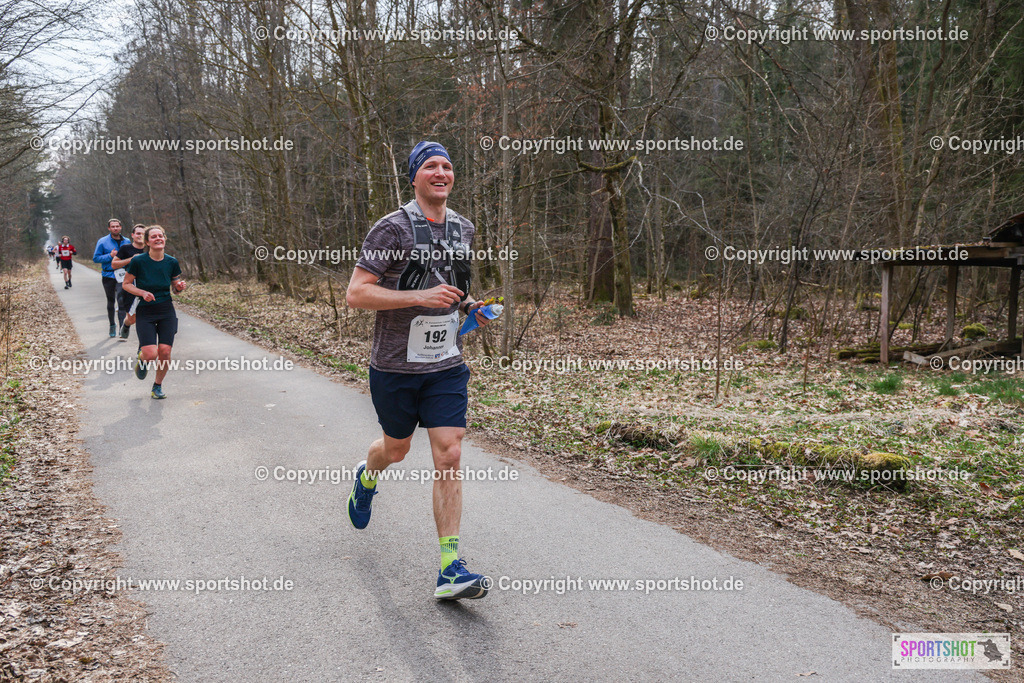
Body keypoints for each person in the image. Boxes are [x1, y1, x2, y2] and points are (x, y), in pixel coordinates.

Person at [345, 140, 492, 601]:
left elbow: (454, 286)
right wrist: (418, 297)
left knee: (450, 453)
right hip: (395, 366)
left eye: (447, 165)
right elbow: (356, 293)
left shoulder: (463, 228)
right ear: (414, 177)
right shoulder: (391, 229)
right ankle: (367, 475)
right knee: (396, 449)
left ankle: (450, 568)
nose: (441, 172)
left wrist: (471, 306)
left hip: (445, 364)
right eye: (430, 166)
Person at [121, 226, 187, 399]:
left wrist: (179, 288)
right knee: (151, 354)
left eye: (160, 236)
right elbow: (126, 284)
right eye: (154, 236)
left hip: (166, 310)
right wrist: (142, 292)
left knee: (165, 351)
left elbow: (175, 288)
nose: (158, 238)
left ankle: (157, 386)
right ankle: (143, 359)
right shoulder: (138, 261)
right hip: (145, 310)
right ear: (147, 242)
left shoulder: (172, 262)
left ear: (164, 239)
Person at [93, 219, 130, 337]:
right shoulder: (102, 242)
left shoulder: (127, 241)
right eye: (113, 226)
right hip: (108, 275)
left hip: (122, 275)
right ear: (109, 228)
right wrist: (110, 256)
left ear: (120, 227)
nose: (115, 228)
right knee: (111, 301)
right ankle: (112, 325)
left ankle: (122, 329)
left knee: (121, 301)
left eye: (117, 226)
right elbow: (96, 258)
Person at [112, 224, 147, 340]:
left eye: (143, 234)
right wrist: (131, 259)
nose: (140, 236)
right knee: (132, 319)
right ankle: (126, 324)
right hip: (131, 286)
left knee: (146, 317)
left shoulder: (150, 248)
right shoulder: (126, 248)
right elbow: (114, 264)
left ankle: (143, 344)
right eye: (138, 233)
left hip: (147, 285)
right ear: (133, 235)